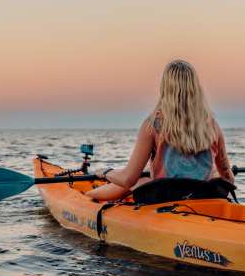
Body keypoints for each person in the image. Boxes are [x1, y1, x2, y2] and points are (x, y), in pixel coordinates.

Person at [86, 59, 235, 201]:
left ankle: (87, 196)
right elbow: (228, 177)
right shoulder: (212, 126)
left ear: (165, 88)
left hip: (166, 197)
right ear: (195, 87)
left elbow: (127, 179)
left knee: (139, 181)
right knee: (214, 174)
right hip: (202, 195)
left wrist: (105, 172)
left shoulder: (153, 125)